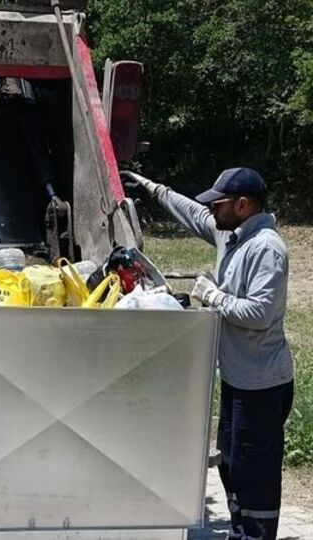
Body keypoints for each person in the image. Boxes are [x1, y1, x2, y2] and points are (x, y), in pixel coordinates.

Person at [124, 168, 293, 540]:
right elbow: (194, 214)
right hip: (237, 378)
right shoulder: (231, 232)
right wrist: (154, 188)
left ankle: (257, 534)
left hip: (262, 384)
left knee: (255, 472)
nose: (211, 210)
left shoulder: (266, 248)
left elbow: (259, 314)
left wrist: (211, 295)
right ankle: (240, 531)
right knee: (231, 463)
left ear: (243, 205)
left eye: (218, 204)